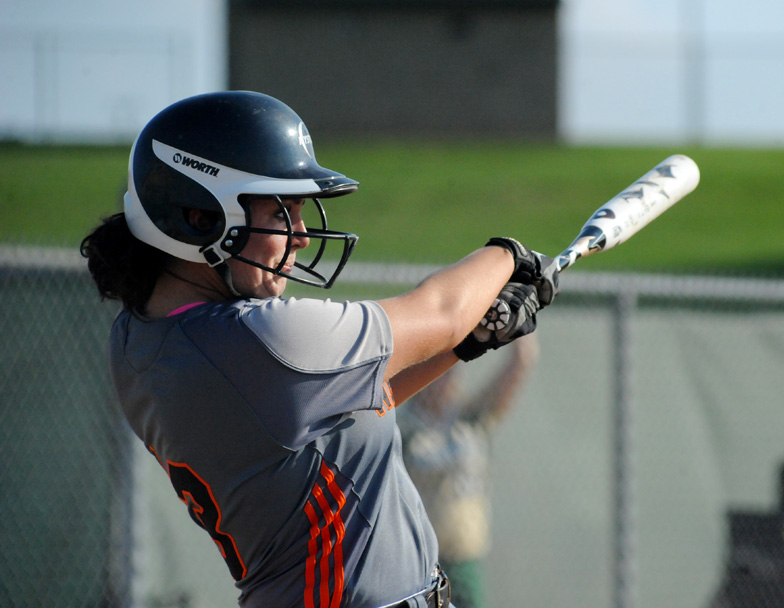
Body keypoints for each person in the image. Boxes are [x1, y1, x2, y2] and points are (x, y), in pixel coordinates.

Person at [80, 90, 558, 608]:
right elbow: (441, 309)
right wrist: (508, 255)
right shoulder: (262, 342)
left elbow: (343, 414)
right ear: (199, 216)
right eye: (283, 208)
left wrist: (465, 344)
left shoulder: (138, 341)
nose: (302, 234)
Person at [398, 334, 539, 608]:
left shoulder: (468, 420)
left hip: (464, 558)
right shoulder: (404, 428)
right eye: (437, 372)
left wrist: (521, 330)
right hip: (421, 562)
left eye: (451, 372)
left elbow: (522, 363)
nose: (446, 380)